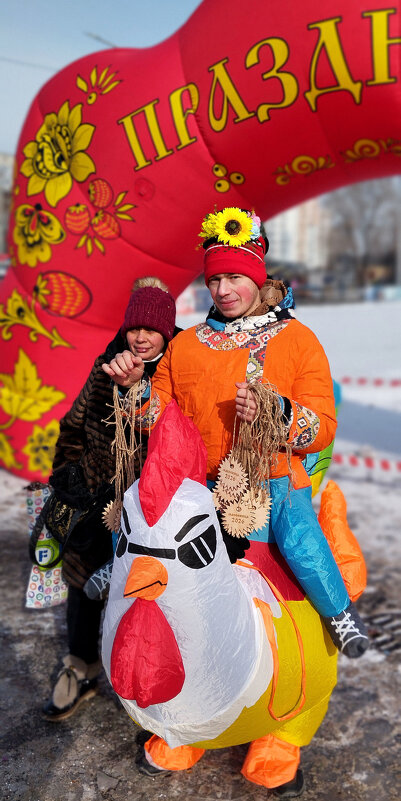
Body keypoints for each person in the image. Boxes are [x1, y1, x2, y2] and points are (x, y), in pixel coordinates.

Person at [102, 207, 368, 794]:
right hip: (200, 501)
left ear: (257, 273)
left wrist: (278, 416)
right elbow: (160, 419)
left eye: (233, 277)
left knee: (296, 555)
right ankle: (192, 717)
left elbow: (321, 425)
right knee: (157, 578)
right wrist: (132, 392)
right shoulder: (187, 345)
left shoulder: (297, 341)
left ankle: (319, 654)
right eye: (214, 279)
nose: (223, 289)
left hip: (269, 489)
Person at [42, 277, 178, 721]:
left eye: (151, 329)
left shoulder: (175, 372)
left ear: (167, 332)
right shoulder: (106, 366)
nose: (140, 337)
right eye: (134, 327)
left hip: (150, 510)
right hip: (94, 497)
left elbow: (177, 438)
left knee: (147, 593)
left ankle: (155, 683)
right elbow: (73, 426)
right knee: (81, 581)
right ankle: (80, 667)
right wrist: (68, 474)